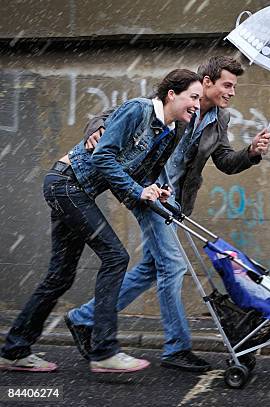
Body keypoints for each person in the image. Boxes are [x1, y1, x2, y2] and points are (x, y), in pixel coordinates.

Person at [65, 56, 270, 372]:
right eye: (227, 85)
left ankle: (85, 318)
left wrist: (252, 153)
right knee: (173, 266)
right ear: (207, 82)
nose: (231, 92)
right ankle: (176, 347)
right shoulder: (176, 96)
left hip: (175, 204)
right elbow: (111, 116)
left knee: (151, 268)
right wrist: (96, 128)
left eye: (234, 87)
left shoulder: (220, 119)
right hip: (149, 193)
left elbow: (226, 161)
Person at [0, 69, 203, 373]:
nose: (197, 105)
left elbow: (145, 172)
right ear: (172, 94)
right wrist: (139, 190)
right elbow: (103, 156)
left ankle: (15, 348)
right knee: (115, 257)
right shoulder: (138, 109)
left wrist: (159, 190)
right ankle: (105, 350)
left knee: (60, 277)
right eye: (194, 97)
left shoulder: (171, 132)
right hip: (66, 183)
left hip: (77, 192)